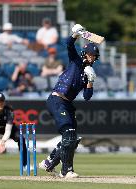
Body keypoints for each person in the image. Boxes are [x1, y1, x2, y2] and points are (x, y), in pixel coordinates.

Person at [38, 24, 99, 178]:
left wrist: (90, 81)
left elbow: (87, 96)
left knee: (72, 139)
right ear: (85, 54)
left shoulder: (88, 73)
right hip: (57, 99)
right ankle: (66, 171)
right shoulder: (76, 62)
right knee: (69, 134)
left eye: (94, 57)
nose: (92, 58)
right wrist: (75, 35)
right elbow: (69, 45)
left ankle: (49, 162)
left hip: (68, 104)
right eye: (91, 55)